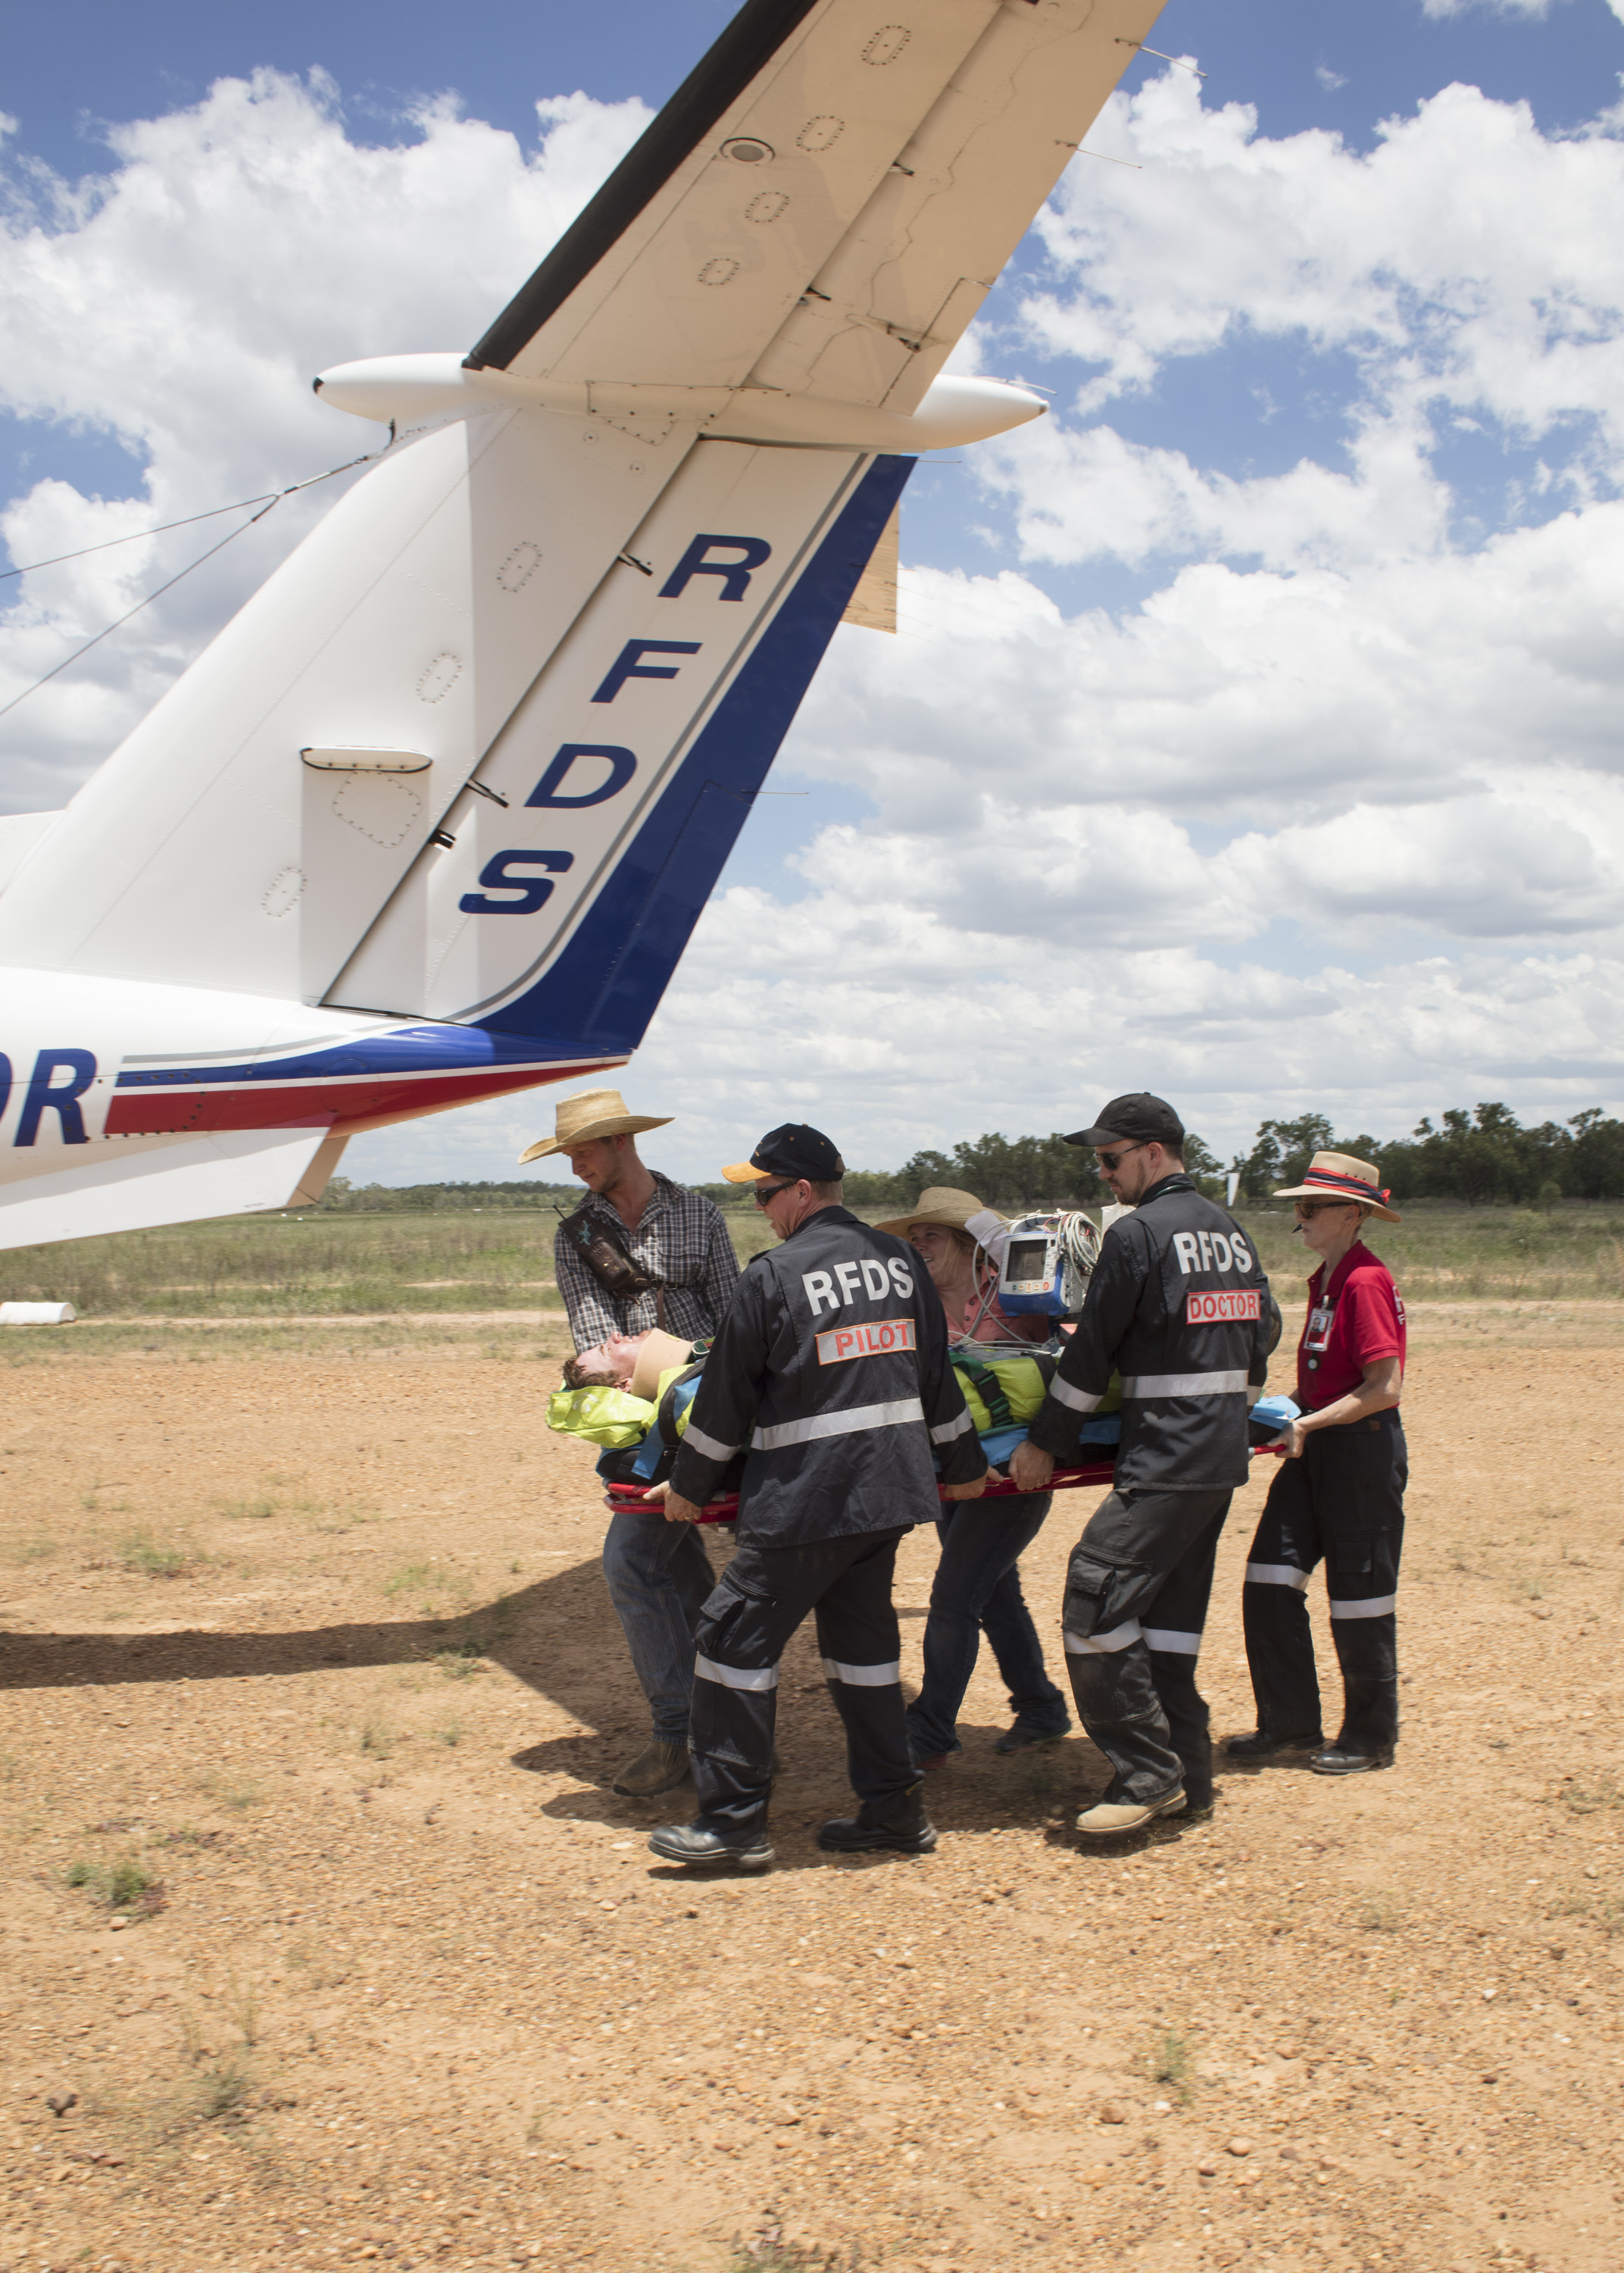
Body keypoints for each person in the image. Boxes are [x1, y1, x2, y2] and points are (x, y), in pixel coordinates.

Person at [642, 1124, 988, 1873]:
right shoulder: (900, 1263)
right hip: (887, 1499)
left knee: (730, 1642)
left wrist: (689, 1487)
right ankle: (894, 1811)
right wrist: (962, 1464)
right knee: (862, 1653)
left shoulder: (772, 1275)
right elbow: (937, 1380)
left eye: (765, 1193)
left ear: (801, 1191)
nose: (761, 1208)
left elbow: (726, 1403)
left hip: (809, 1502)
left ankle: (732, 1825)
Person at [1010, 1093, 1272, 1837]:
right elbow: (1264, 1331)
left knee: (1093, 1598)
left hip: (1163, 1459)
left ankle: (1144, 1772)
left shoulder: (1138, 1236)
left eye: (1109, 1158)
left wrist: (1044, 1443)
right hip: (1217, 1458)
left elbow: (1088, 1355)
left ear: (1153, 1152)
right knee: (1166, 1627)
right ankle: (1187, 1773)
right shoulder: (1229, 1232)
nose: (1103, 1175)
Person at [521, 1087, 741, 1799]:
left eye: (582, 1150)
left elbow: (739, 1326)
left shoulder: (700, 1215)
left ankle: (680, 1731)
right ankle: (720, 1715)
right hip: (644, 1434)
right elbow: (592, 1343)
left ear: (621, 1142)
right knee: (675, 1569)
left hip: (709, 1419)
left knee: (632, 1566)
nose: (574, 1166)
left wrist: (680, 1370)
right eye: (568, 1154)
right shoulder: (575, 1236)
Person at [869, 1187, 1070, 1768]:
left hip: (1013, 1475)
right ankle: (1040, 1705)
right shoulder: (915, 1303)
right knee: (996, 1593)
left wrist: (1044, 1446)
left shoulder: (1017, 1297)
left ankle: (930, 1728)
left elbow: (1076, 1358)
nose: (918, 1244)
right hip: (952, 1471)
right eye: (914, 1236)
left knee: (954, 1597)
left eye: (931, 1234)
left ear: (964, 1241)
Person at [1227, 1152, 1407, 1776]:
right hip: (1315, 1448)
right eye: (1299, 1207)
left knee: (1359, 1601)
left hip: (1360, 1453)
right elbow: (1326, 1381)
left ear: (1353, 1215)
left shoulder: (1364, 1281)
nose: (1299, 1217)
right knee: (1269, 1583)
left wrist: (1306, 1422)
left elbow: (1384, 1387)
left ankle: (1370, 1738)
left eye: (1311, 1207)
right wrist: (1280, 1414)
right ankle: (1290, 1723)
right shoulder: (1325, 1279)